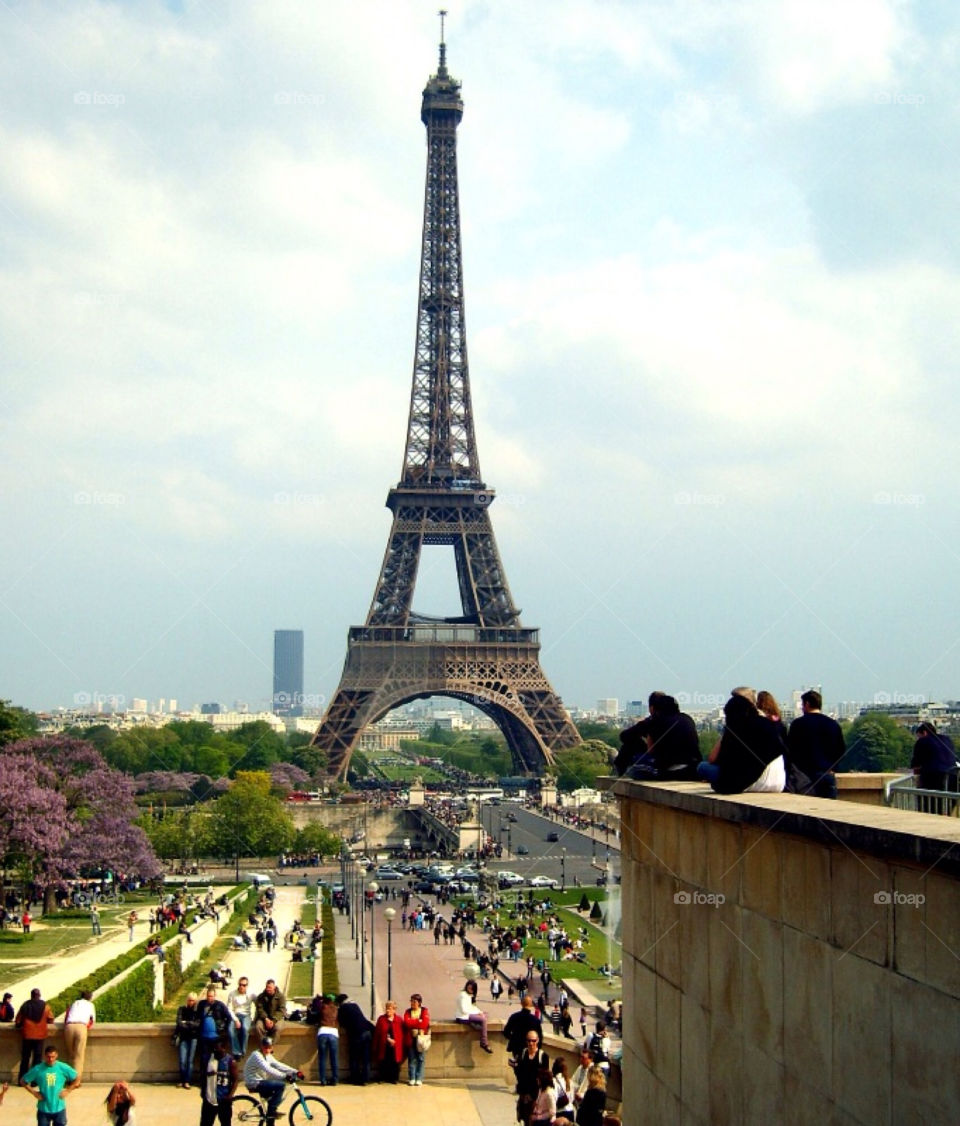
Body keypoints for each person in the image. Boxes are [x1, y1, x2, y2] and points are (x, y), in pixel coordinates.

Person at [698, 693, 786, 793]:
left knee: (703, 767)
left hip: (753, 783)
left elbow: (714, 759)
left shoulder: (736, 729)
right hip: (778, 783)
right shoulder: (770, 725)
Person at [615, 691, 701, 780]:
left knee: (630, 754)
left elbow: (625, 736)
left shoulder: (655, 720)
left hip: (668, 770)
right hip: (692, 768)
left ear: (652, 709)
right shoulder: (687, 719)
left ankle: (620, 773)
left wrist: (642, 740)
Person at [786, 689, 844, 798]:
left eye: (802, 705)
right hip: (826, 774)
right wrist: (833, 767)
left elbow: (790, 750)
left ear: (807, 704)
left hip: (803, 777)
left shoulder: (797, 724)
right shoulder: (833, 724)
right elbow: (840, 750)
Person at [242, 1037, 301, 1124]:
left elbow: (279, 1065)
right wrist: (285, 1076)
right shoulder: (256, 1055)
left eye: (269, 1047)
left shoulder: (267, 1056)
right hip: (254, 1082)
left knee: (271, 1104)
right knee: (281, 1086)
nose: (267, 1049)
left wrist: (296, 1072)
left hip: (260, 1081)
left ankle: (271, 1115)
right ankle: (272, 1112)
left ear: (272, 1047)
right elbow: (268, 1069)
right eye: (265, 1047)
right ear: (261, 1047)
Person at [20, 1044, 79, 1125]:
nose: (50, 1059)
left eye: (53, 1056)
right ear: (44, 1056)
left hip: (59, 1108)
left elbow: (77, 1077)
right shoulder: (38, 1069)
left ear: (56, 1056)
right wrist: (34, 1093)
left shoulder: (62, 1067)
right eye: (48, 1057)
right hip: (43, 1109)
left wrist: (68, 1090)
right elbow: (23, 1081)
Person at [197, 987, 236, 1082]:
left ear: (215, 996)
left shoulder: (220, 1005)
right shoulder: (202, 1004)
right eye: (208, 996)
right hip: (204, 1037)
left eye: (211, 996)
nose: (210, 998)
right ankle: (203, 1079)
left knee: (216, 1058)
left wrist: (223, 1030)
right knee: (204, 1058)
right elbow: (197, 1017)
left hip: (216, 1037)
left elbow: (229, 1018)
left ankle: (215, 1078)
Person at [16, 988, 55, 1080]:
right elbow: (51, 1019)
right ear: (39, 995)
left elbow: (18, 1021)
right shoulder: (45, 1006)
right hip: (40, 1035)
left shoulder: (25, 1005)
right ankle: (35, 1081)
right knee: (37, 1059)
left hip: (27, 1035)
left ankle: (22, 1079)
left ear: (31, 995)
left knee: (25, 1058)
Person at [512, 1031, 549, 1126]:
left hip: (535, 1096)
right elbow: (519, 1073)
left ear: (538, 1041)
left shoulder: (543, 1056)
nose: (531, 1043)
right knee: (524, 1119)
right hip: (523, 1094)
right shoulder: (523, 1053)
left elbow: (545, 1077)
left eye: (533, 1041)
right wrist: (515, 1066)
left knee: (532, 1121)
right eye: (529, 1041)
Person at [336, 993, 374, 1086]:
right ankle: (366, 1078)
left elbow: (341, 1022)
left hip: (357, 1034)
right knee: (366, 1057)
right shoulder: (355, 1005)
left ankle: (355, 1079)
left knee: (354, 1057)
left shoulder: (343, 1008)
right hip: (367, 1031)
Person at [912, 722, 959, 793]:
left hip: (934, 779)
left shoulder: (922, 741)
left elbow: (916, 765)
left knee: (928, 801)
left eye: (919, 736)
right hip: (953, 778)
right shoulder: (947, 739)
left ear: (924, 733)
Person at [200, 1040, 237, 1126]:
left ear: (224, 1049)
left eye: (217, 1049)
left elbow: (235, 1080)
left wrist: (230, 1095)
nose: (215, 1051)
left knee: (225, 1123)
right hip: (209, 1099)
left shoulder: (230, 1061)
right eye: (214, 1050)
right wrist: (203, 1091)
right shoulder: (208, 1059)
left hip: (223, 1099)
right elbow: (202, 1076)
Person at [63, 991, 95, 1080]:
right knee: (79, 1056)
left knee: (70, 1054)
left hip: (69, 1026)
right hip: (81, 1026)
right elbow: (92, 1020)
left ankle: (68, 1078)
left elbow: (66, 1016)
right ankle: (76, 1080)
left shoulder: (74, 1003)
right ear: (90, 998)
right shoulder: (90, 1005)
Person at [455, 979, 493, 1052]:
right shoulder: (463, 995)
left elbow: (472, 1007)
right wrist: (477, 1013)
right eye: (469, 988)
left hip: (467, 1015)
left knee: (485, 1014)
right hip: (462, 1017)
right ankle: (484, 1042)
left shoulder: (468, 995)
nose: (470, 990)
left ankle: (475, 1025)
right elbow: (464, 1010)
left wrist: (480, 1012)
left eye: (471, 989)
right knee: (483, 1019)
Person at [372, 1000, 404, 1084]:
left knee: (394, 1062)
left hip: (395, 1046)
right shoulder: (381, 1019)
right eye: (386, 1008)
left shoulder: (399, 1020)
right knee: (383, 1061)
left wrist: (396, 1042)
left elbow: (402, 1033)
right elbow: (377, 1033)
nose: (387, 1011)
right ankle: (382, 1077)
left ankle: (393, 1078)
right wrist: (375, 1045)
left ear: (394, 1010)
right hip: (384, 1045)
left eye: (389, 1009)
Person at [402, 993, 430, 1087]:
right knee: (412, 1058)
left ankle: (419, 1078)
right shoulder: (407, 1011)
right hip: (410, 1038)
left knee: (421, 1058)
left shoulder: (424, 1011)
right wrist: (418, 1021)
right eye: (411, 1001)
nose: (412, 1003)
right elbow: (406, 1023)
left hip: (421, 1038)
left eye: (414, 1001)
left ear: (419, 1003)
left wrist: (413, 1022)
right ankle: (412, 1078)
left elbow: (424, 1024)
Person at [503, 995, 543, 1060]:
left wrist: (514, 1038)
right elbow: (540, 1038)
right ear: (531, 1004)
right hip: (530, 1049)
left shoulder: (514, 1017)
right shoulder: (535, 1020)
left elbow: (506, 1032)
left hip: (516, 1048)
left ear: (521, 1004)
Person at [176, 993, 202, 1089]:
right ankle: (182, 1079)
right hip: (183, 1037)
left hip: (193, 1038)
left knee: (190, 1061)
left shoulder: (197, 1012)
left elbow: (198, 1024)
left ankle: (187, 1081)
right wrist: (190, 1025)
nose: (191, 1002)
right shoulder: (181, 1009)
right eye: (190, 1000)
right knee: (182, 1060)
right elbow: (179, 1023)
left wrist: (186, 1022)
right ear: (187, 1000)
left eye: (193, 1000)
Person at [315, 994, 339, 1086]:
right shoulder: (336, 1009)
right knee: (334, 1058)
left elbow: (316, 1014)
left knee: (322, 1058)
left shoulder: (323, 1007)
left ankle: (323, 1080)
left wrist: (319, 998)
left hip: (322, 1032)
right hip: (333, 1033)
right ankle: (335, 1079)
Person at [226, 978, 254, 1057]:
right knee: (230, 1031)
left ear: (247, 986)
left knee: (245, 1029)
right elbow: (229, 1009)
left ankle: (243, 1051)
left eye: (244, 985)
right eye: (240, 984)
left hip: (246, 1015)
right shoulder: (232, 994)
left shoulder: (251, 994)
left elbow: (259, 1003)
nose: (241, 987)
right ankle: (236, 1051)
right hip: (235, 1015)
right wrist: (235, 1020)